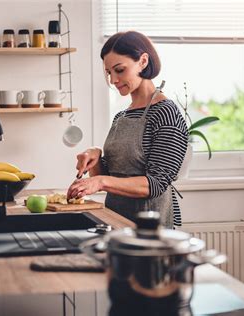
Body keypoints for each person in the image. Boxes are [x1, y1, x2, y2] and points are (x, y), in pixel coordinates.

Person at [67, 31, 188, 228]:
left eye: (120, 70)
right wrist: (96, 157)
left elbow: (156, 184)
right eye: (108, 72)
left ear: (143, 61)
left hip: (149, 229)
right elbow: (111, 176)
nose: (113, 79)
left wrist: (100, 182)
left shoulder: (166, 113)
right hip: (115, 221)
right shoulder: (122, 116)